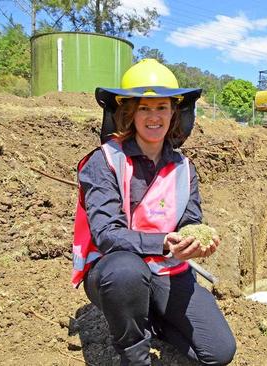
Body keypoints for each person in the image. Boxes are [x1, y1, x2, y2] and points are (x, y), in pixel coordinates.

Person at [71, 59, 236, 365]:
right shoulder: (104, 162)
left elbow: (190, 221)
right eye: (144, 108)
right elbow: (107, 235)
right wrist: (162, 242)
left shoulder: (184, 168)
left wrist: (194, 243)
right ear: (129, 112)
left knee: (219, 351)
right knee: (125, 272)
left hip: (166, 269)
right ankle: (134, 355)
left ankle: (151, 320)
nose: (153, 116)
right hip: (115, 271)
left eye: (162, 107)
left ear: (175, 112)